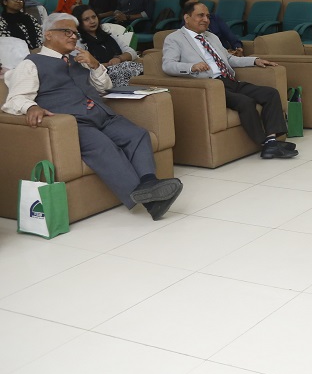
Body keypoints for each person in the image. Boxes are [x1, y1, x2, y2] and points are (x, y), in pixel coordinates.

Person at [1, 13, 183, 220]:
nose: (73, 36)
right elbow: (15, 99)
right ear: (48, 35)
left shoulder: (79, 59)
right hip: (74, 122)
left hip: (102, 114)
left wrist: (95, 65)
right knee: (104, 147)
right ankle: (152, 202)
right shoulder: (31, 64)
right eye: (67, 31)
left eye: (75, 33)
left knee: (138, 135)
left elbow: (105, 87)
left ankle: (149, 183)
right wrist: (31, 107)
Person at [162, 1, 297, 159]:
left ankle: (271, 141)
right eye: (200, 15)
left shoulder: (211, 36)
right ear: (187, 18)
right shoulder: (175, 39)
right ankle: (266, 144)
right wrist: (191, 67)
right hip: (211, 86)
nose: (206, 19)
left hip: (229, 81)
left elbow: (229, 59)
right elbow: (168, 65)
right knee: (245, 102)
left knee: (270, 93)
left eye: (207, 16)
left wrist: (254, 60)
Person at [72, 4, 142, 87]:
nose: (92, 21)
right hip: (100, 78)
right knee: (129, 67)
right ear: (79, 23)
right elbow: (82, 67)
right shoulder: (78, 41)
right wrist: (108, 64)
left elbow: (132, 52)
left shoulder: (109, 35)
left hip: (122, 70)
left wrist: (119, 58)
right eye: (86, 19)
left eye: (94, 17)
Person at [178, 0, 243, 55]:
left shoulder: (214, 18)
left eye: (197, 3)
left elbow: (230, 35)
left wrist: (238, 48)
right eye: (191, 5)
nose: (196, 6)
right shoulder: (185, 28)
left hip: (226, 52)